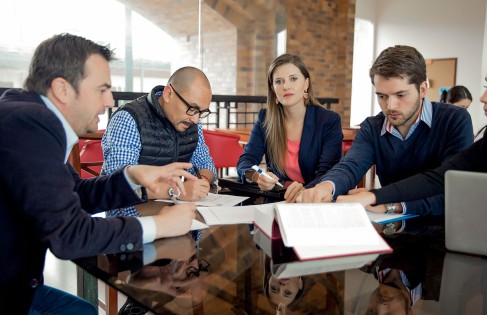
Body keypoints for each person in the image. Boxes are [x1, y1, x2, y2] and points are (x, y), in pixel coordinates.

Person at [0, 33, 198, 314]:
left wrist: (132, 178)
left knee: (84, 311)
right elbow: (69, 234)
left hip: (19, 285)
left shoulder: (23, 114)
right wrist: (162, 225)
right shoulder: (30, 123)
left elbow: (74, 194)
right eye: (102, 89)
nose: (110, 101)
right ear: (63, 89)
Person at [336, 42, 487, 209]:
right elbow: (441, 177)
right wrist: (375, 196)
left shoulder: (455, 120)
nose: (483, 97)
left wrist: (383, 200)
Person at [297, 45, 474, 216]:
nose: (390, 106)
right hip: (393, 229)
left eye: (400, 95)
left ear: (422, 89)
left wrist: (393, 206)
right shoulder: (372, 127)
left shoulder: (454, 120)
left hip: (443, 231)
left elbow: (453, 191)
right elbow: (351, 165)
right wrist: (326, 186)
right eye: (382, 96)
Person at [102, 66, 217, 217]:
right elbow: (119, 185)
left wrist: (201, 182)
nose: (196, 119)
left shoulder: (190, 121)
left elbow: (205, 163)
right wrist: (177, 191)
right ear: (168, 94)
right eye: (192, 109)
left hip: (175, 213)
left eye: (202, 112)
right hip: (130, 222)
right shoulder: (129, 118)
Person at [236, 54, 343, 202]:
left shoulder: (328, 120)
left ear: (306, 84)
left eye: (293, 79)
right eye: (279, 81)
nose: (286, 86)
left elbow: (329, 172)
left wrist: (305, 190)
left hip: (314, 201)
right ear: (273, 89)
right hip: (278, 201)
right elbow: (246, 161)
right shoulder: (265, 119)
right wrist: (257, 176)